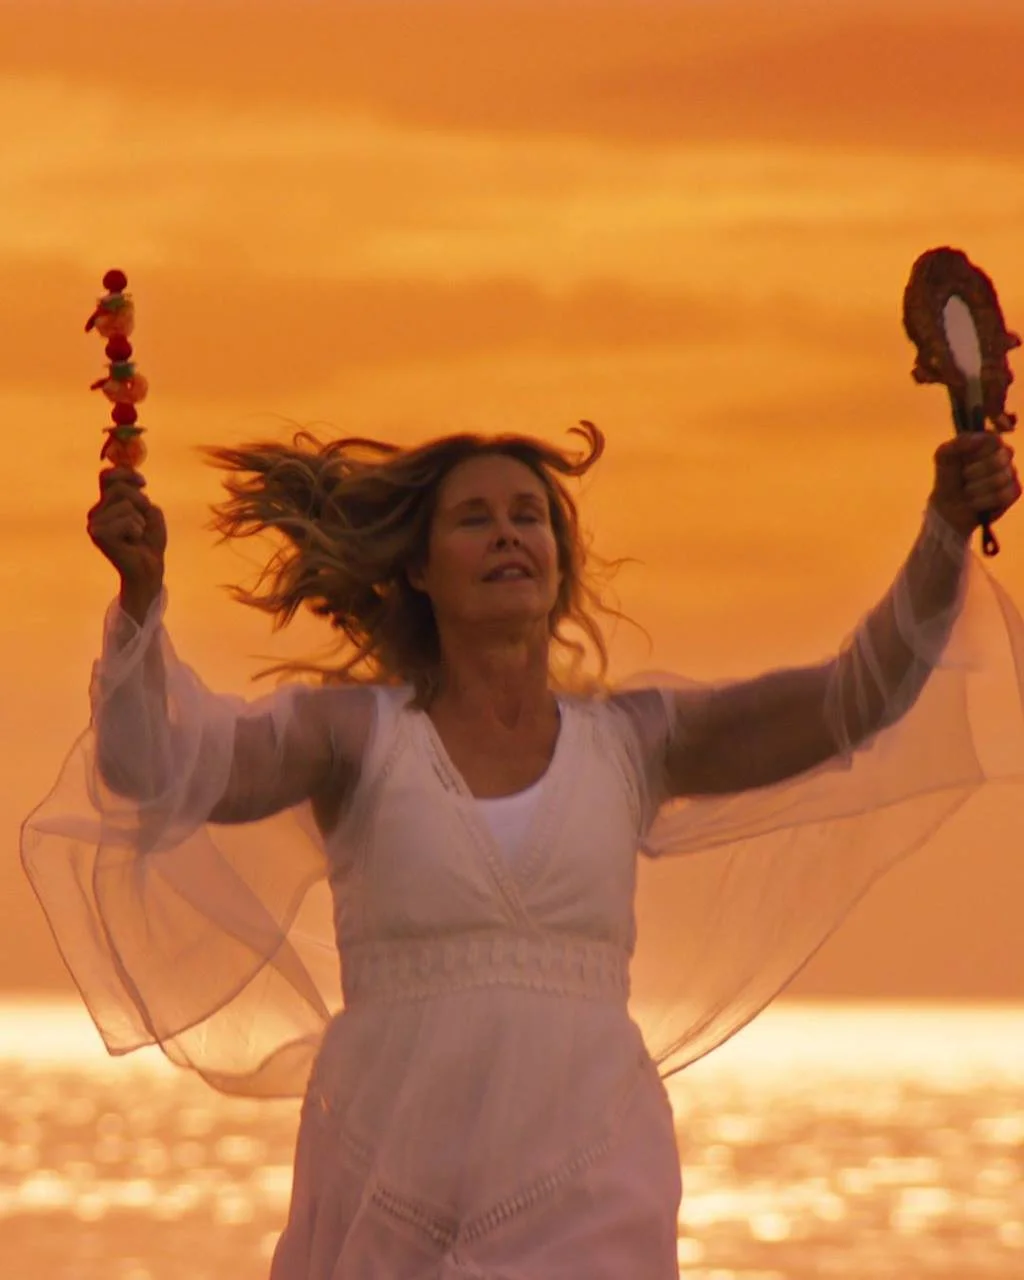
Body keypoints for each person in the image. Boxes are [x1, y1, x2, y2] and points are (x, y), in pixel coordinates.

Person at [20, 419, 1024, 1278]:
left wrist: (945, 528)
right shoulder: (353, 737)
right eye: (474, 518)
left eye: (529, 515)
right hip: (391, 1175)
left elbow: (857, 697)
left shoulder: (634, 742)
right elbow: (157, 769)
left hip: (590, 1176)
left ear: (560, 560)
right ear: (419, 568)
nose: (508, 532)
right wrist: (141, 597)